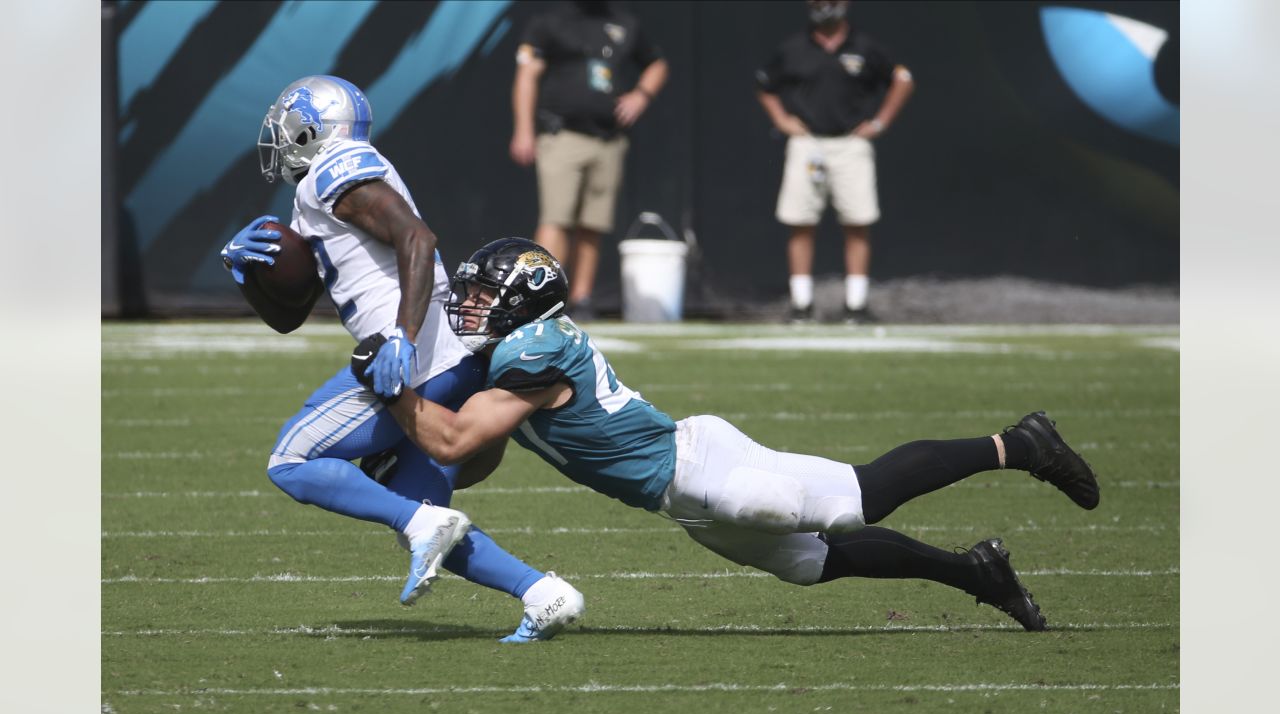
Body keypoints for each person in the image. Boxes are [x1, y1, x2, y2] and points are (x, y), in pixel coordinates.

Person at [351, 237, 1102, 633]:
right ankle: (977, 575)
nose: (471, 306)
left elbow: (451, 445)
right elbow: (475, 457)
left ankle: (1021, 445)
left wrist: (387, 389)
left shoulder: (530, 350)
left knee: (851, 501)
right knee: (814, 566)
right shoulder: (511, 356)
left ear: (523, 301)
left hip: (699, 467)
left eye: (485, 294)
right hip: (681, 497)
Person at [218, 76, 583, 642]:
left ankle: (423, 524)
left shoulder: (336, 164)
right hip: (443, 359)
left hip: (416, 357)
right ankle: (544, 593)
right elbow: (290, 315)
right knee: (423, 516)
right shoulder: (318, 191)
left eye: (288, 125)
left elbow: (418, 237)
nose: (279, 136)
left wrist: (400, 337)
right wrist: (246, 271)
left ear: (314, 129)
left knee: (290, 460)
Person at [756, 0, 915, 324]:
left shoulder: (865, 47)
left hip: (850, 143)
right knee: (800, 221)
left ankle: (855, 306)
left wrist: (879, 123)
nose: (823, 7)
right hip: (808, 143)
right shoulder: (794, 48)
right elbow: (765, 85)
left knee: (857, 221)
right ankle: (802, 305)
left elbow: (903, 80)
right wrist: (782, 119)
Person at [509, 0, 669, 320]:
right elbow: (527, 75)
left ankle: (582, 298)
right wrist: (523, 129)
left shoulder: (623, 20)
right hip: (562, 135)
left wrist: (641, 95)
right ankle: (539, 295)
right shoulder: (551, 20)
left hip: (608, 139)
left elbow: (657, 64)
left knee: (593, 223)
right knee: (556, 218)